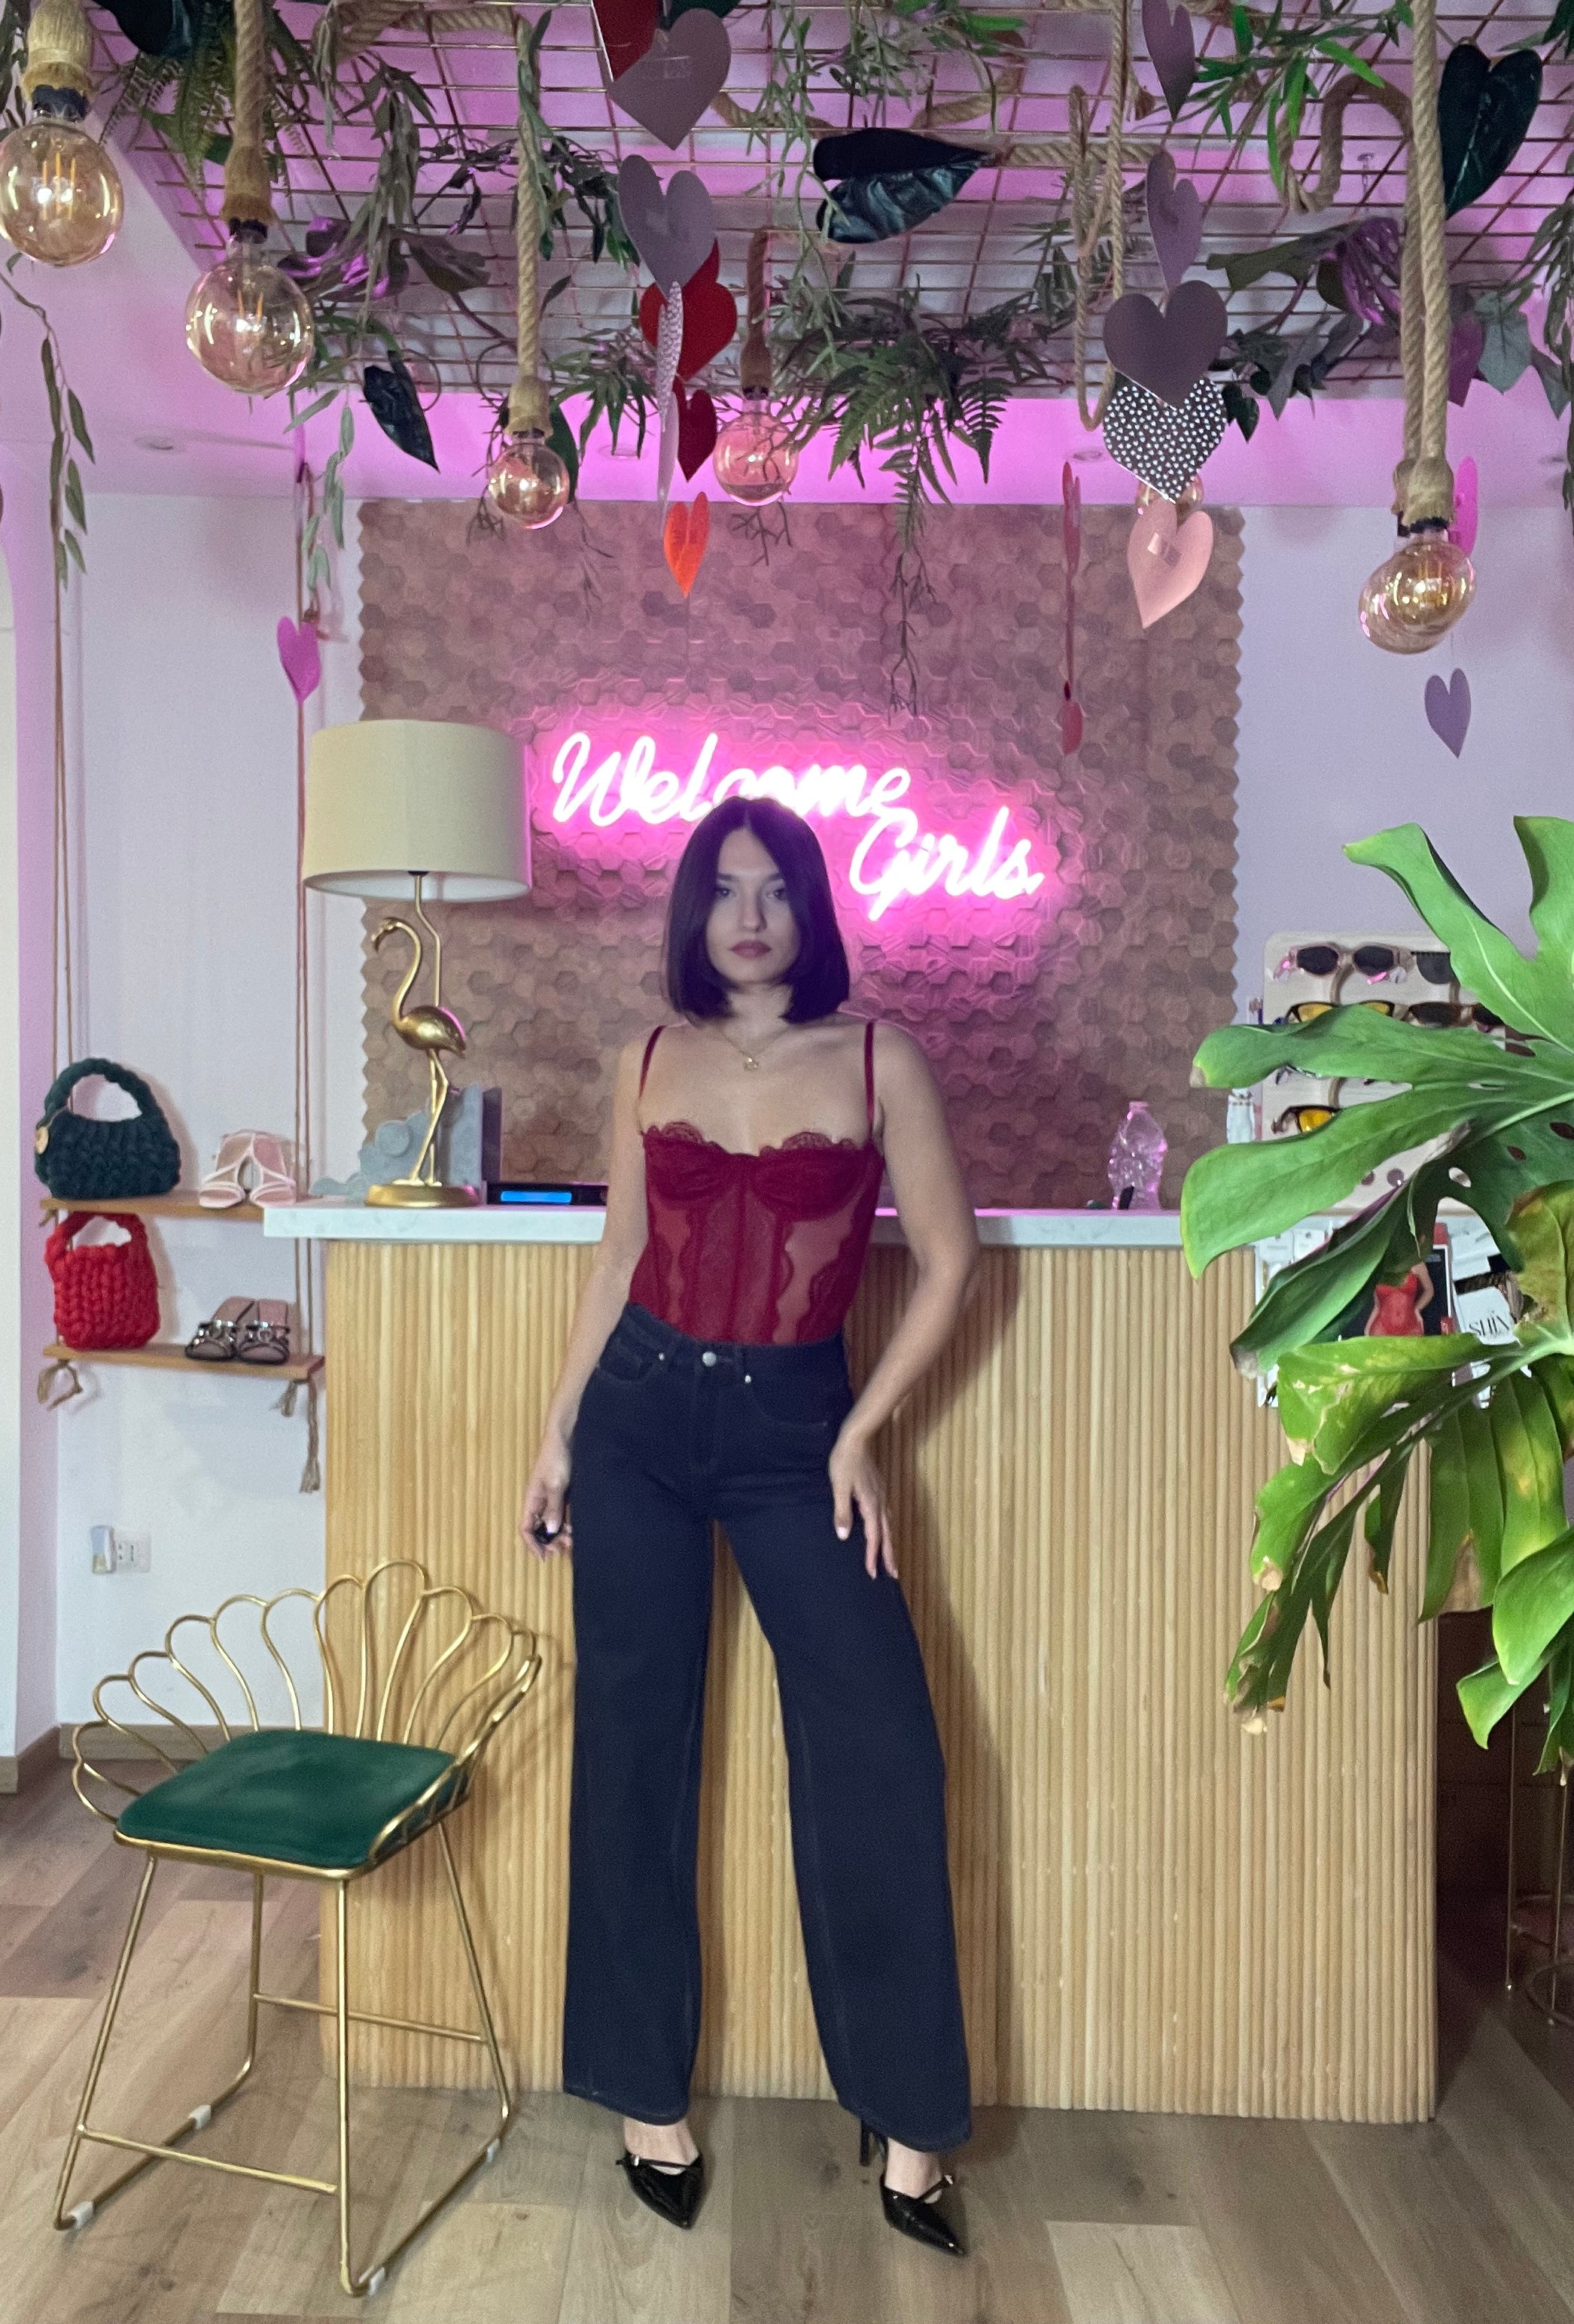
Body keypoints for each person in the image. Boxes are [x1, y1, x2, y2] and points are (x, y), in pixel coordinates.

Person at [519, 795, 979, 2255]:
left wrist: (860, 1430)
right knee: (633, 1748)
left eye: (776, 889)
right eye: (725, 889)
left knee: (879, 1748)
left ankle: (909, 2119)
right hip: (639, 1418)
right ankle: (647, 2102)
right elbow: (621, 1255)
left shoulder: (880, 1056)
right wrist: (558, 1430)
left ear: (812, 908)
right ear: (694, 911)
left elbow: (952, 1261)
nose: (752, 915)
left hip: (797, 1431)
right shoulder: (651, 1057)